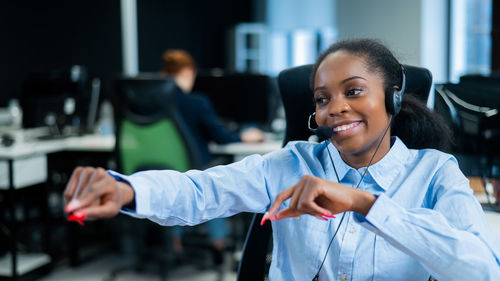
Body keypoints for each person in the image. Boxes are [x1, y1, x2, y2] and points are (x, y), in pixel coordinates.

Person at [64, 39, 500, 280]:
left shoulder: (434, 173)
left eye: (353, 91)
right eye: (322, 99)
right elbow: (202, 190)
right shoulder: (293, 164)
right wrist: (126, 188)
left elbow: (480, 270)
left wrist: (365, 205)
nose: (335, 109)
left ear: (393, 97)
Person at [161, 49, 263, 166]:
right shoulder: (196, 102)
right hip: (194, 172)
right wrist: (244, 137)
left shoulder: (154, 103)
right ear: (188, 72)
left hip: (164, 172)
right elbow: (221, 137)